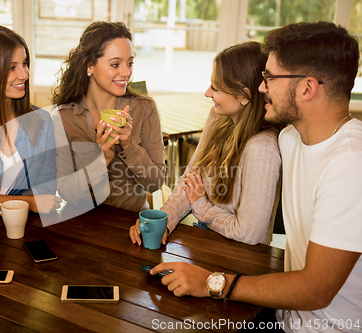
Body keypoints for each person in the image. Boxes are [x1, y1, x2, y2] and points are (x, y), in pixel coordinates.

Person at [151, 22, 362, 333]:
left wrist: (213, 282)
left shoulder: (351, 164)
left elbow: (316, 289)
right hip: (283, 318)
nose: (261, 86)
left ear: (307, 88)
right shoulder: (290, 138)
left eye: (270, 77)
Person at [130, 41, 281, 246]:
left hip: (239, 258)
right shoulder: (218, 118)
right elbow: (190, 179)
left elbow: (248, 234)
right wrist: (163, 221)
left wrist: (202, 207)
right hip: (204, 239)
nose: (207, 93)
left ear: (244, 96)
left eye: (216, 87)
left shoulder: (262, 148)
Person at [51, 21, 166, 212]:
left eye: (129, 63)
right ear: (89, 65)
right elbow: (66, 192)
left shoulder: (145, 108)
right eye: (115, 64)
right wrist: (102, 159)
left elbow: (155, 183)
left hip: (131, 222)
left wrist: (129, 146)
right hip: (80, 222)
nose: (126, 72)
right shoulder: (63, 117)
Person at [0, 24, 61, 221]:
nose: (24, 74)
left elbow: (46, 190)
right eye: (12, 67)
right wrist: (27, 202)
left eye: (25, 63)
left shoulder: (42, 120)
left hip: (24, 228)